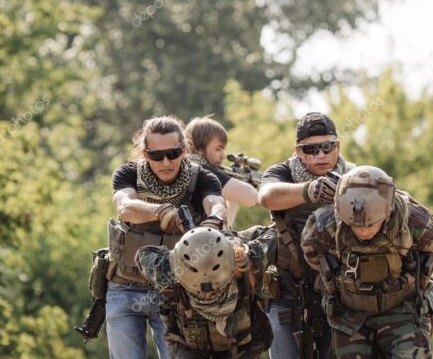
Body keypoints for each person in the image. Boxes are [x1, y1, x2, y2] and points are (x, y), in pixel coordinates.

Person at [301, 166, 433, 359]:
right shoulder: (324, 225)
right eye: (355, 225)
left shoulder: (415, 223)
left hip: (403, 310)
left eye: (371, 224)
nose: (363, 231)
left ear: (387, 212)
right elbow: (313, 256)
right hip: (349, 313)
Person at [108, 116, 226, 359]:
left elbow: (216, 203)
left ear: (184, 150)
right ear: (144, 153)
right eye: (156, 156)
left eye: (173, 153)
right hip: (126, 286)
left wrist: (214, 220)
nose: (165, 162)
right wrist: (160, 211)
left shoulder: (201, 177)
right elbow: (125, 207)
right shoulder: (128, 174)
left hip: (176, 293)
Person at [258, 112, 354, 359]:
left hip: (337, 293)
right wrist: (310, 190)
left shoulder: (353, 176)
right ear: (298, 151)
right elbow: (266, 196)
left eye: (326, 147)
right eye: (311, 149)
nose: (320, 155)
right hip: (287, 291)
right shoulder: (283, 172)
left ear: (337, 147)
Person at [135, 225, 277, 359]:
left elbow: (271, 234)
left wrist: (230, 241)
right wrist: (175, 258)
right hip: (190, 350)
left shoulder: (248, 261)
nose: (208, 295)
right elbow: (143, 254)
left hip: (241, 349)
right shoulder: (168, 270)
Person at [185, 116, 259, 228]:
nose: (223, 156)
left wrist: (233, 190)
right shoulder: (204, 170)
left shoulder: (187, 167)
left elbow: (227, 223)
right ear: (199, 148)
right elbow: (252, 198)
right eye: (218, 149)